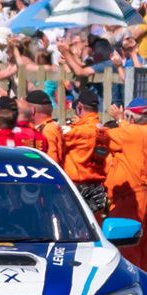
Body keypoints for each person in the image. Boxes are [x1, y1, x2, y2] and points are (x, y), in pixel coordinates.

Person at [104, 99, 147, 273]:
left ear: (132, 117)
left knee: (127, 249)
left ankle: (132, 290)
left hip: (133, 198)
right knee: (143, 250)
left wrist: (118, 120)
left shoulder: (136, 133)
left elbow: (103, 137)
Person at [60, 87, 112, 218]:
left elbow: (57, 134)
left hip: (78, 188)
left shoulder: (78, 131)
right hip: (98, 189)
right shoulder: (106, 131)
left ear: (79, 107)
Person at [24, 88, 64, 160]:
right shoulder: (46, 127)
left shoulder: (48, 130)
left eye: (25, 108)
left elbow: (51, 161)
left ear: (33, 110)